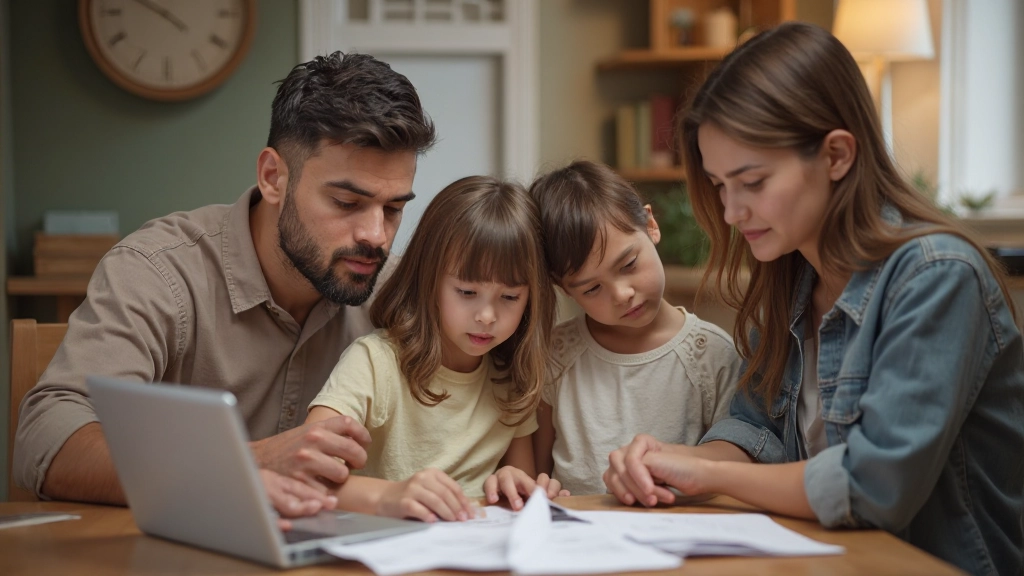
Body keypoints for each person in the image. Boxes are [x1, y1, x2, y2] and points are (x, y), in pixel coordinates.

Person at [602, 22, 1024, 575]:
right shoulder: (791, 279)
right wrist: (673, 462)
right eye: (721, 185)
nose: (730, 213)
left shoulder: (938, 278)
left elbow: (873, 488)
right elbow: (753, 431)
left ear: (837, 155)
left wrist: (711, 475)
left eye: (753, 182)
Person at [14, 52, 436, 521]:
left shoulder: (398, 291)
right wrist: (246, 463)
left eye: (393, 209)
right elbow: (47, 437)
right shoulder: (159, 271)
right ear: (273, 178)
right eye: (346, 202)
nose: (376, 236)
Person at [304, 175, 565, 522]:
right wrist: (390, 495)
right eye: (467, 292)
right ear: (429, 280)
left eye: (509, 297)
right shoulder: (374, 363)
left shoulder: (511, 379)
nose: (487, 316)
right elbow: (307, 477)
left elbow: (520, 488)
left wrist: (512, 482)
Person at [527, 160, 741, 496]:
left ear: (650, 225)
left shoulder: (713, 355)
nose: (621, 295)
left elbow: (732, 472)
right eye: (591, 289)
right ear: (564, 288)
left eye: (628, 265)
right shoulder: (555, 355)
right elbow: (535, 478)